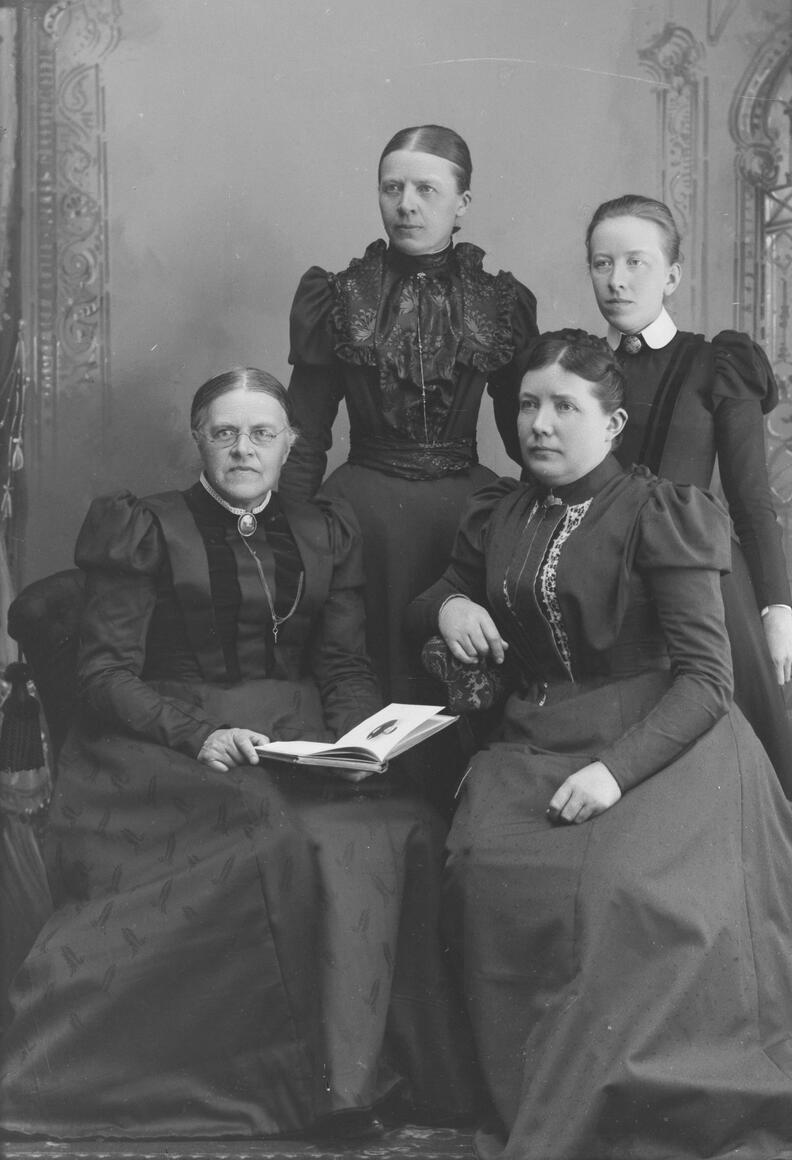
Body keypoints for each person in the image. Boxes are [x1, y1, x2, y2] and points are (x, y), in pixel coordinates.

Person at [0, 369, 476, 1141]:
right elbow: (104, 674)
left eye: (262, 433)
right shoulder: (147, 527)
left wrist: (360, 743)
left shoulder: (324, 530)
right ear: (199, 439)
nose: (243, 449)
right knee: (280, 838)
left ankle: (380, 1079)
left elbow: (343, 666)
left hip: (297, 738)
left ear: (291, 444)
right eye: (225, 433)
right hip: (165, 745)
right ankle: (306, 1092)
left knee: (402, 826)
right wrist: (198, 734)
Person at [408, 331, 792, 1160]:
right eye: (527, 405)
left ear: (613, 424)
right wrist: (448, 606)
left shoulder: (660, 513)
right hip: (535, 738)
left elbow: (706, 682)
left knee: (617, 888)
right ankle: (527, 1084)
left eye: (563, 407)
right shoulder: (502, 511)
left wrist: (614, 775)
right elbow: (438, 591)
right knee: (478, 868)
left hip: (666, 744)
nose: (539, 424)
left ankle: (612, 1101)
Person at [279, 124, 538, 729]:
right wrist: (289, 537)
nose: (407, 205)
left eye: (426, 189)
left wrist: (533, 533)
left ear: (462, 204)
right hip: (362, 518)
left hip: (467, 521)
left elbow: (526, 436)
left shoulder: (498, 301)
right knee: (362, 677)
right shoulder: (340, 296)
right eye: (392, 188)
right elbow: (304, 435)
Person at [585, 193, 792, 795]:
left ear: (672, 276)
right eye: (602, 263)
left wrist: (777, 608)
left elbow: (751, 499)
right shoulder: (578, 368)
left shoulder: (716, 363)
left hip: (700, 583)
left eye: (636, 263)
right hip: (601, 582)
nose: (617, 280)